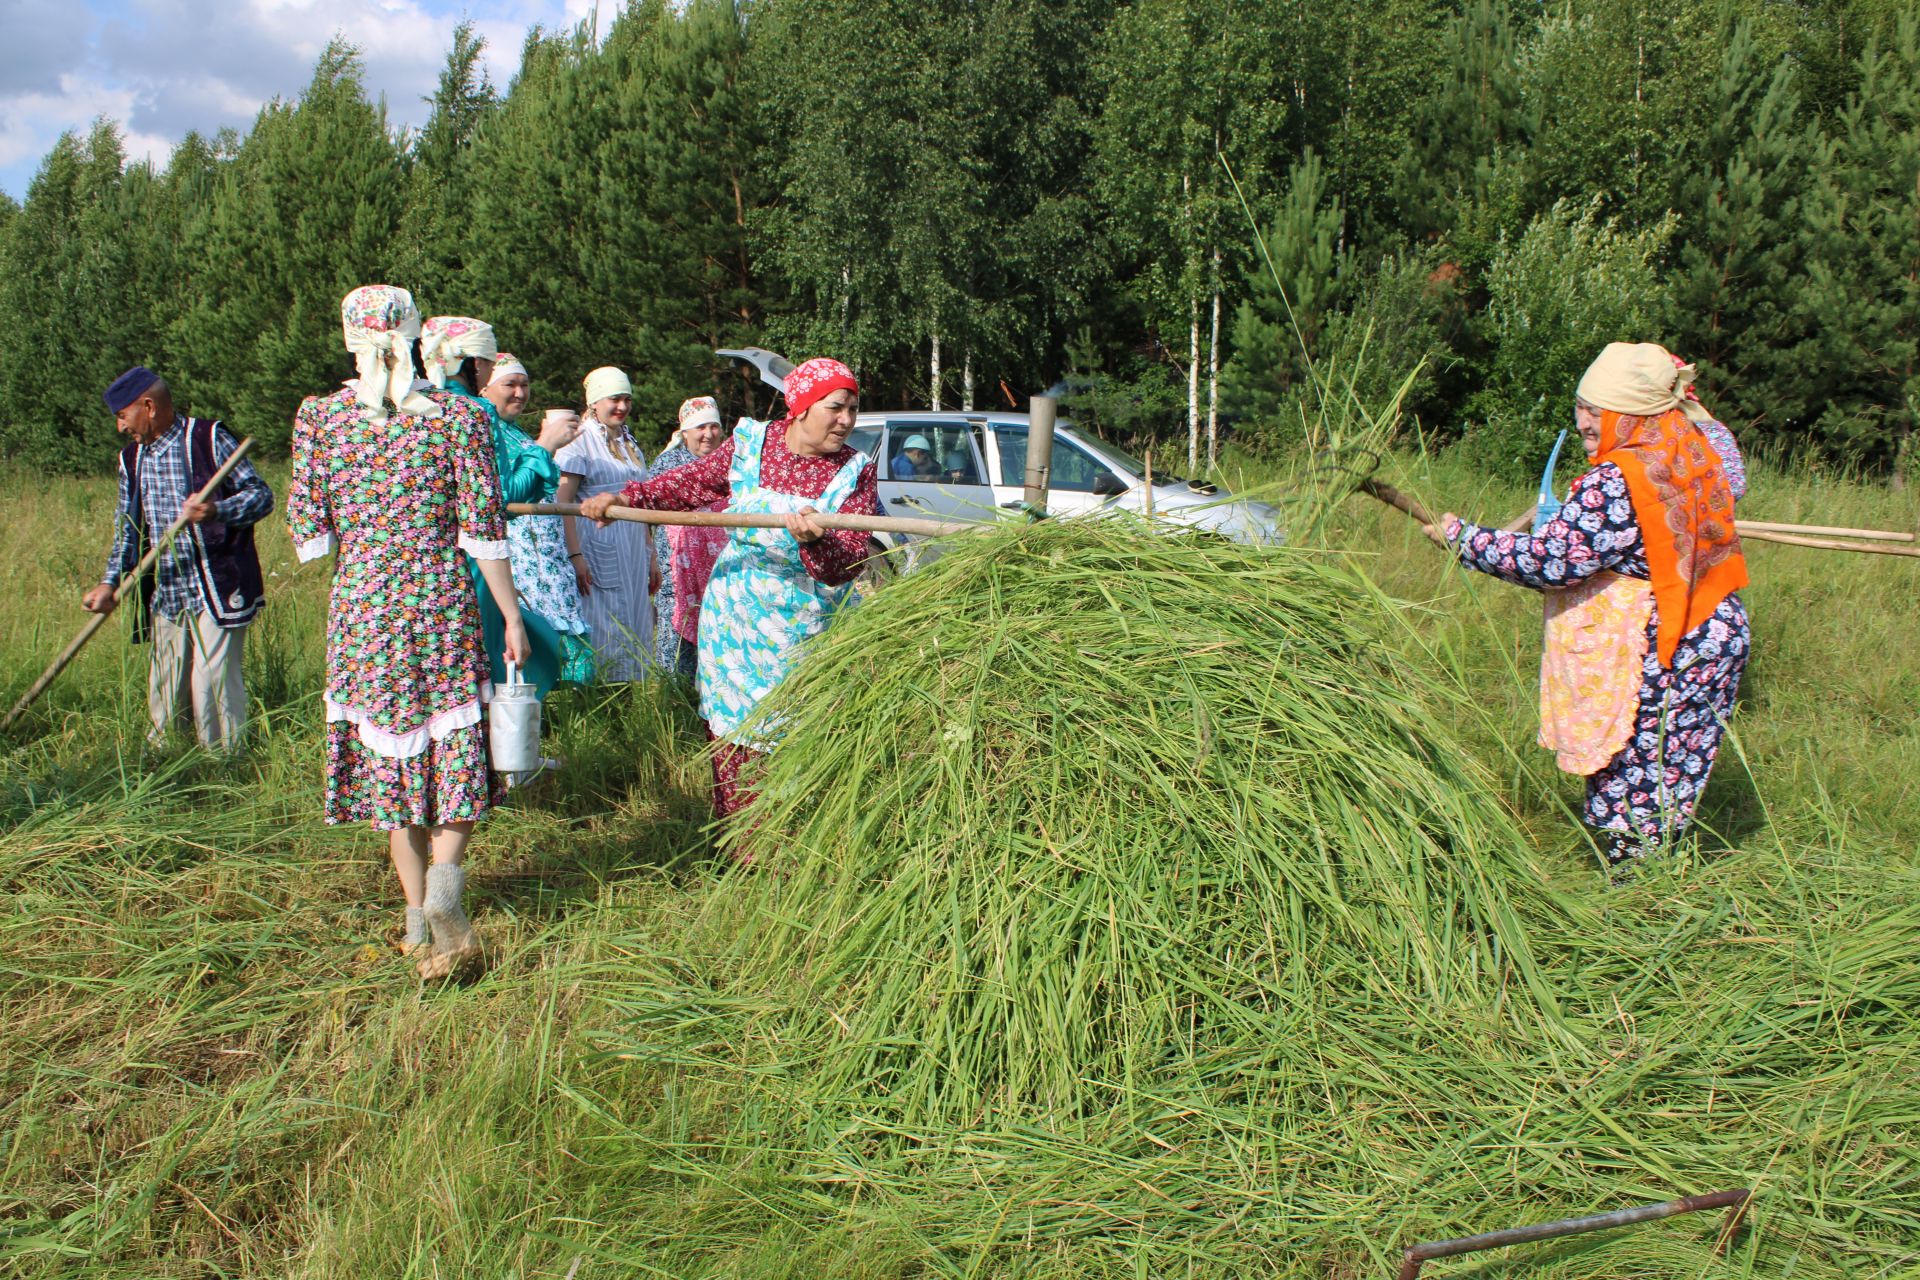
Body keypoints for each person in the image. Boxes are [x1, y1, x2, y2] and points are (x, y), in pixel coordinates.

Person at [1430, 342, 1750, 874]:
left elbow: (1553, 562)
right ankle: (1656, 879)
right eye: (1581, 404)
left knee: (1631, 788)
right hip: (1716, 634)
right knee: (1669, 779)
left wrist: (1462, 538)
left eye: (1597, 410)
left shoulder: (1619, 479)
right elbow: (1725, 459)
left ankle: (1637, 902)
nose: (1582, 419)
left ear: (1630, 414)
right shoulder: (1699, 448)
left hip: (1660, 649)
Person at [287, 285, 528, 979]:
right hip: (441, 603)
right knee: (456, 747)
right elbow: (483, 530)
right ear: (418, 333)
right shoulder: (458, 418)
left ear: (349, 338)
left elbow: (310, 531)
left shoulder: (321, 419)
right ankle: (447, 884)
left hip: (363, 610)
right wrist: (511, 615)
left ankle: (418, 922)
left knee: (390, 762)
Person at [582, 357, 879, 821]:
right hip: (736, 623)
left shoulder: (855, 471)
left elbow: (851, 559)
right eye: (836, 407)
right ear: (800, 406)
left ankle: (794, 841)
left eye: (853, 410)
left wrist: (816, 543)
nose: (846, 421)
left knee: (796, 735)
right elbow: (689, 486)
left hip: (805, 630)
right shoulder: (751, 444)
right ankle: (740, 844)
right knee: (735, 734)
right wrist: (625, 498)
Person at [84, 366, 273, 751]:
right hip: (168, 589)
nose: (121, 427)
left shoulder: (206, 439)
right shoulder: (131, 460)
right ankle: (169, 768)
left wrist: (216, 511)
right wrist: (110, 582)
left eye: (123, 415)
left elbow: (261, 496)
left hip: (217, 584)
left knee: (211, 681)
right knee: (166, 687)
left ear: (148, 406)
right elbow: (128, 532)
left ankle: (225, 771)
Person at [422, 317, 577, 705]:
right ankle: (493, 754)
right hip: (475, 558)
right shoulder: (475, 414)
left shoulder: (415, 406)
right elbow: (498, 498)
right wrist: (544, 448)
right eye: (491, 365)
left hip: (422, 558)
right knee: (486, 655)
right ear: (475, 365)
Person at [481, 353, 595, 686]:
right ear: (486, 388)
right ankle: (538, 725)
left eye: (524, 384)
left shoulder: (516, 434)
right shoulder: (484, 431)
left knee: (573, 653)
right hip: (517, 563)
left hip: (548, 560)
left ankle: (571, 723)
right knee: (534, 651)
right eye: (510, 384)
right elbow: (506, 497)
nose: (519, 392)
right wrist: (546, 444)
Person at [555, 367, 656, 682]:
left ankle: (626, 717)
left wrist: (650, 554)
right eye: (615, 399)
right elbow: (564, 502)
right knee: (605, 630)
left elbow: (639, 500)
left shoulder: (629, 444)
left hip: (632, 550)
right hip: (596, 548)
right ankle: (603, 709)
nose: (622, 407)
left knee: (633, 629)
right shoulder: (579, 442)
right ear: (595, 401)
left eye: (627, 399)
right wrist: (575, 555)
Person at [648, 396, 730, 679]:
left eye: (713, 426)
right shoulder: (668, 464)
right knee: (677, 630)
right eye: (700, 427)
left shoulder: (731, 463)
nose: (708, 434)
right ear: (685, 432)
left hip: (721, 566)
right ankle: (674, 699)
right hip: (677, 566)